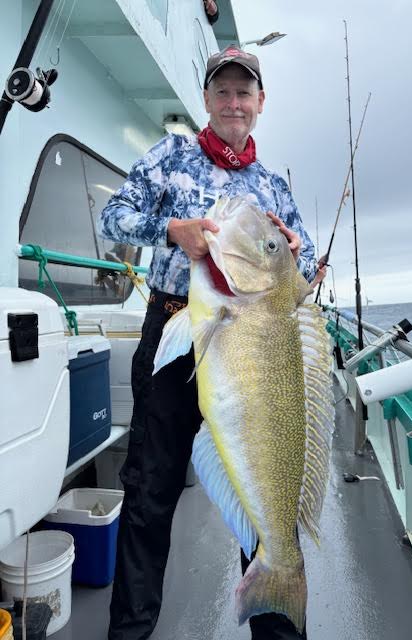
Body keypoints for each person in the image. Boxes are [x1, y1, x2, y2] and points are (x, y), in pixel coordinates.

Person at [98, 44, 326, 640]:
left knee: (262, 485)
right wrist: (170, 230)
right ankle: (130, 632)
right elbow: (114, 219)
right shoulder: (171, 156)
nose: (233, 103)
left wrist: (293, 251)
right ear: (205, 99)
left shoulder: (272, 185)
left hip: (253, 343)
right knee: (150, 494)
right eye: (222, 91)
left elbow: (297, 257)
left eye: (244, 92)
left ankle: (278, 614)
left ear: (260, 103)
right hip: (176, 330)